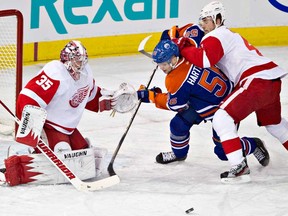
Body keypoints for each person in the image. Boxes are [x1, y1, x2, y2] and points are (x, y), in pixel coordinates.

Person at [173, 1, 288, 183]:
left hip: (255, 81)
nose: (202, 24)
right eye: (201, 20)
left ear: (218, 19)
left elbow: (204, 59)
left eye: (206, 20)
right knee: (274, 124)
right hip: (271, 81)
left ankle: (239, 167)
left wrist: (183, 48)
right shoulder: (226, 35)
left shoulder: (216, 36)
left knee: (222, 118)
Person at [137, 39, 270, 169]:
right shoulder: (189, 51)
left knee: (223, 152)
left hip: (226, 108)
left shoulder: (175, 80)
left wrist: (152, 96)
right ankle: (179, 154)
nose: (161, 68)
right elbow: (190, 34)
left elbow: (175, 105)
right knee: (178, 125)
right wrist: (172, 36)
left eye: (163, 64)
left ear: (173, 59)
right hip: (210, 98)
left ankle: (253, 144)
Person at [1, 40, 118, 186]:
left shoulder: (86, 73)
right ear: (66, 59)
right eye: (76, 60)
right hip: (48, 125)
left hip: (68, 127)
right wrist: (31, 125)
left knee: (82, 153)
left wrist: (111, 100)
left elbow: (91, 97)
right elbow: (28, 97)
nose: (80, 63)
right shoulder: (56, 73)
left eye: (82, 59)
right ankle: (15, 167)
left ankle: (39, 154)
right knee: (62, 150)